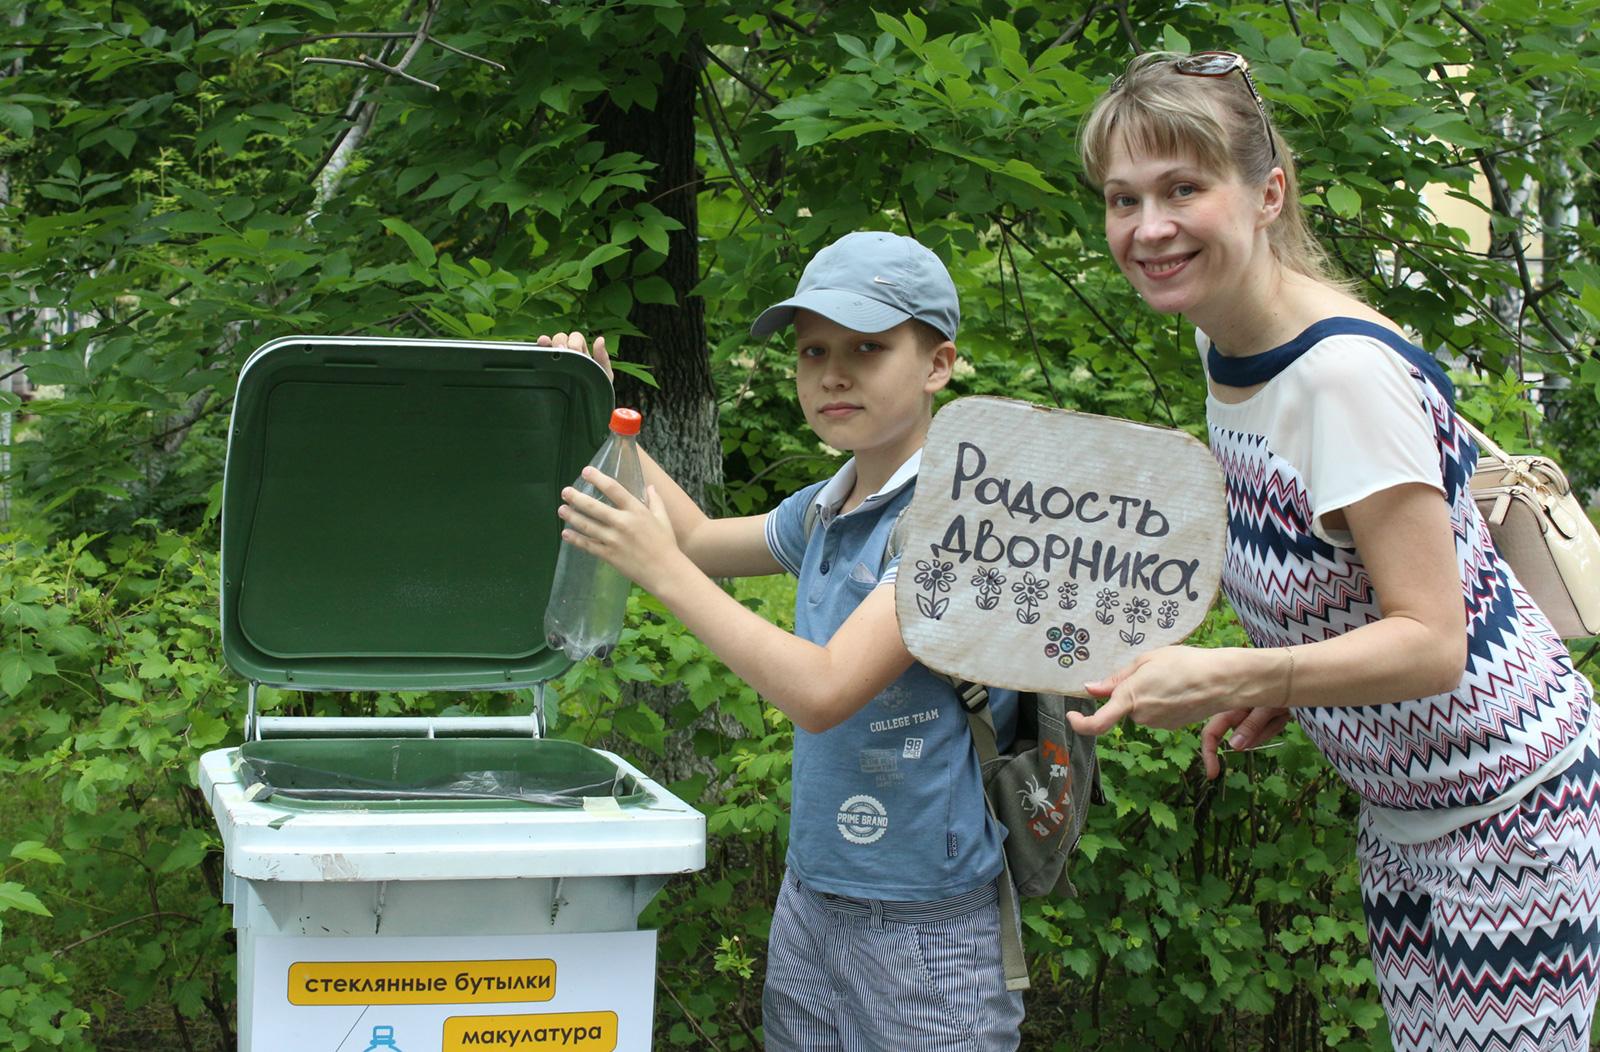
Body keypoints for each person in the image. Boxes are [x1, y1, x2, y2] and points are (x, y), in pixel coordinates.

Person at [1069, 50, 1600, 1051]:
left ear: (1267, 193)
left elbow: (1431, 641)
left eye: (1183, 188)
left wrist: (1237, 665)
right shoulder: (1221, 340)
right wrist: (1300, 680)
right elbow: (1347, 565)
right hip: (1406, 810)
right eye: (1122, 197)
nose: (1148, 228)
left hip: (1510, 809)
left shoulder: (1340, 378)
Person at [539, 230, 1025, 1051]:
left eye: (868, 348)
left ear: (939, 364)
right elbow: (696, 540)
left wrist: (659, 573)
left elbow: (824, 690)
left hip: (924, 922)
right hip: (814, 895)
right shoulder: (829, 506)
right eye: (812, 351)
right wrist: (606, 412)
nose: (832, 373)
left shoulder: (965, 521)